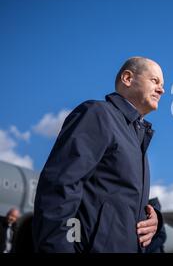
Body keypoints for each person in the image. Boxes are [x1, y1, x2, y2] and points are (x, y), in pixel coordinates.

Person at [32, 56, 165, 253]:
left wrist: (154, 220)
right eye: (154, 81)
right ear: (127, 78)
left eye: (162, 85)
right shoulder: (98, 114)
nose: (161, 90)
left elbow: (114, 204)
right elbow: (60, 187)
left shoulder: (138, 139)